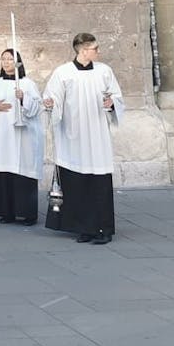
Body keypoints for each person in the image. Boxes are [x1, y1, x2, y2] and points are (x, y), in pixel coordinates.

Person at [43, 33, 124, 244]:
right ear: (82, 50)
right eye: (95, 48)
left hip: (97, 136)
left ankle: (104, 229)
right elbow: (53, 98)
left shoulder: (105, 72)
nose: (98, 52)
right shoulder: (63, 73)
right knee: (77, 184)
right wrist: (51, 104)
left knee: (100, 183)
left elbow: (116, 95)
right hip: (74, 136)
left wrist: (112, 104)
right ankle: (83, 228)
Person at [0, 49, 43, 226]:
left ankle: (27, 213)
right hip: (2, 135)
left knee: (23, 172)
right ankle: (7, 212)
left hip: (22, 137)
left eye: (10, 59)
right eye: (3, 59)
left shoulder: (27, 84)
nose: (6, 62)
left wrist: (24, 98)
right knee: (4, 172)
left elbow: (36, 107)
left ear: (18, 62)